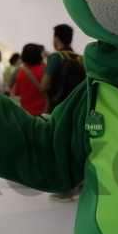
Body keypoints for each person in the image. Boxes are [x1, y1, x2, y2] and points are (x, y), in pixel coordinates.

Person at [39, 24, 87, 202]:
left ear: (57, 38)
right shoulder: (81, 58)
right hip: (79, 109)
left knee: (59, 148)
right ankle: (81, 185)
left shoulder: (57, 57)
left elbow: (44, 84)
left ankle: (65, 189)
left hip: (57, 109)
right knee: (77, 146)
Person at [9, 43, 46, 116]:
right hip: (44, 113)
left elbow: (13, 94)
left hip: (26, 114)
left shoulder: (19, 72)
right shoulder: (46, 70)